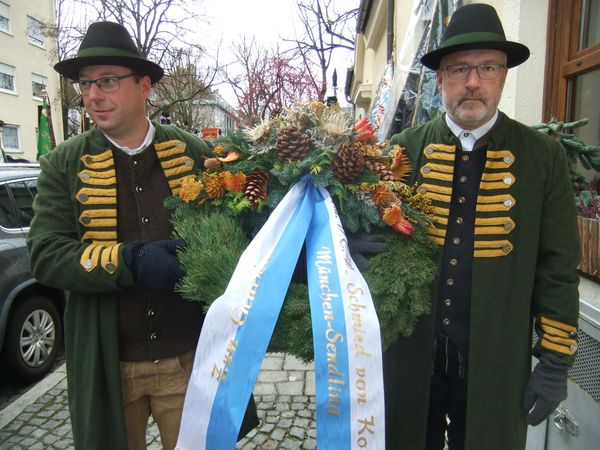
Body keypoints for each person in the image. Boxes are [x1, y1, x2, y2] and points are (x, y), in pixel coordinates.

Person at [27, 22, 257, 450]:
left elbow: (235, 231)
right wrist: (129, 260)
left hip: (188, 358)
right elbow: (46, 254)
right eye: (86, 84)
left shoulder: (195, 152)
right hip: (110, 364)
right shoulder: (63, 163)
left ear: (144, 85)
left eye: (108, 81)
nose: (93, 95)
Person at [384, 4, 580, 449]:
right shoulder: (401, 152)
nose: (472, 82)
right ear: (440, 80)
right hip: (413, 358)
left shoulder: (542, 158)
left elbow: (558, 267)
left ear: (504, 76)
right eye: (458, 70)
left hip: (495, 361)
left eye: (487, 67)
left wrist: (554, 363)